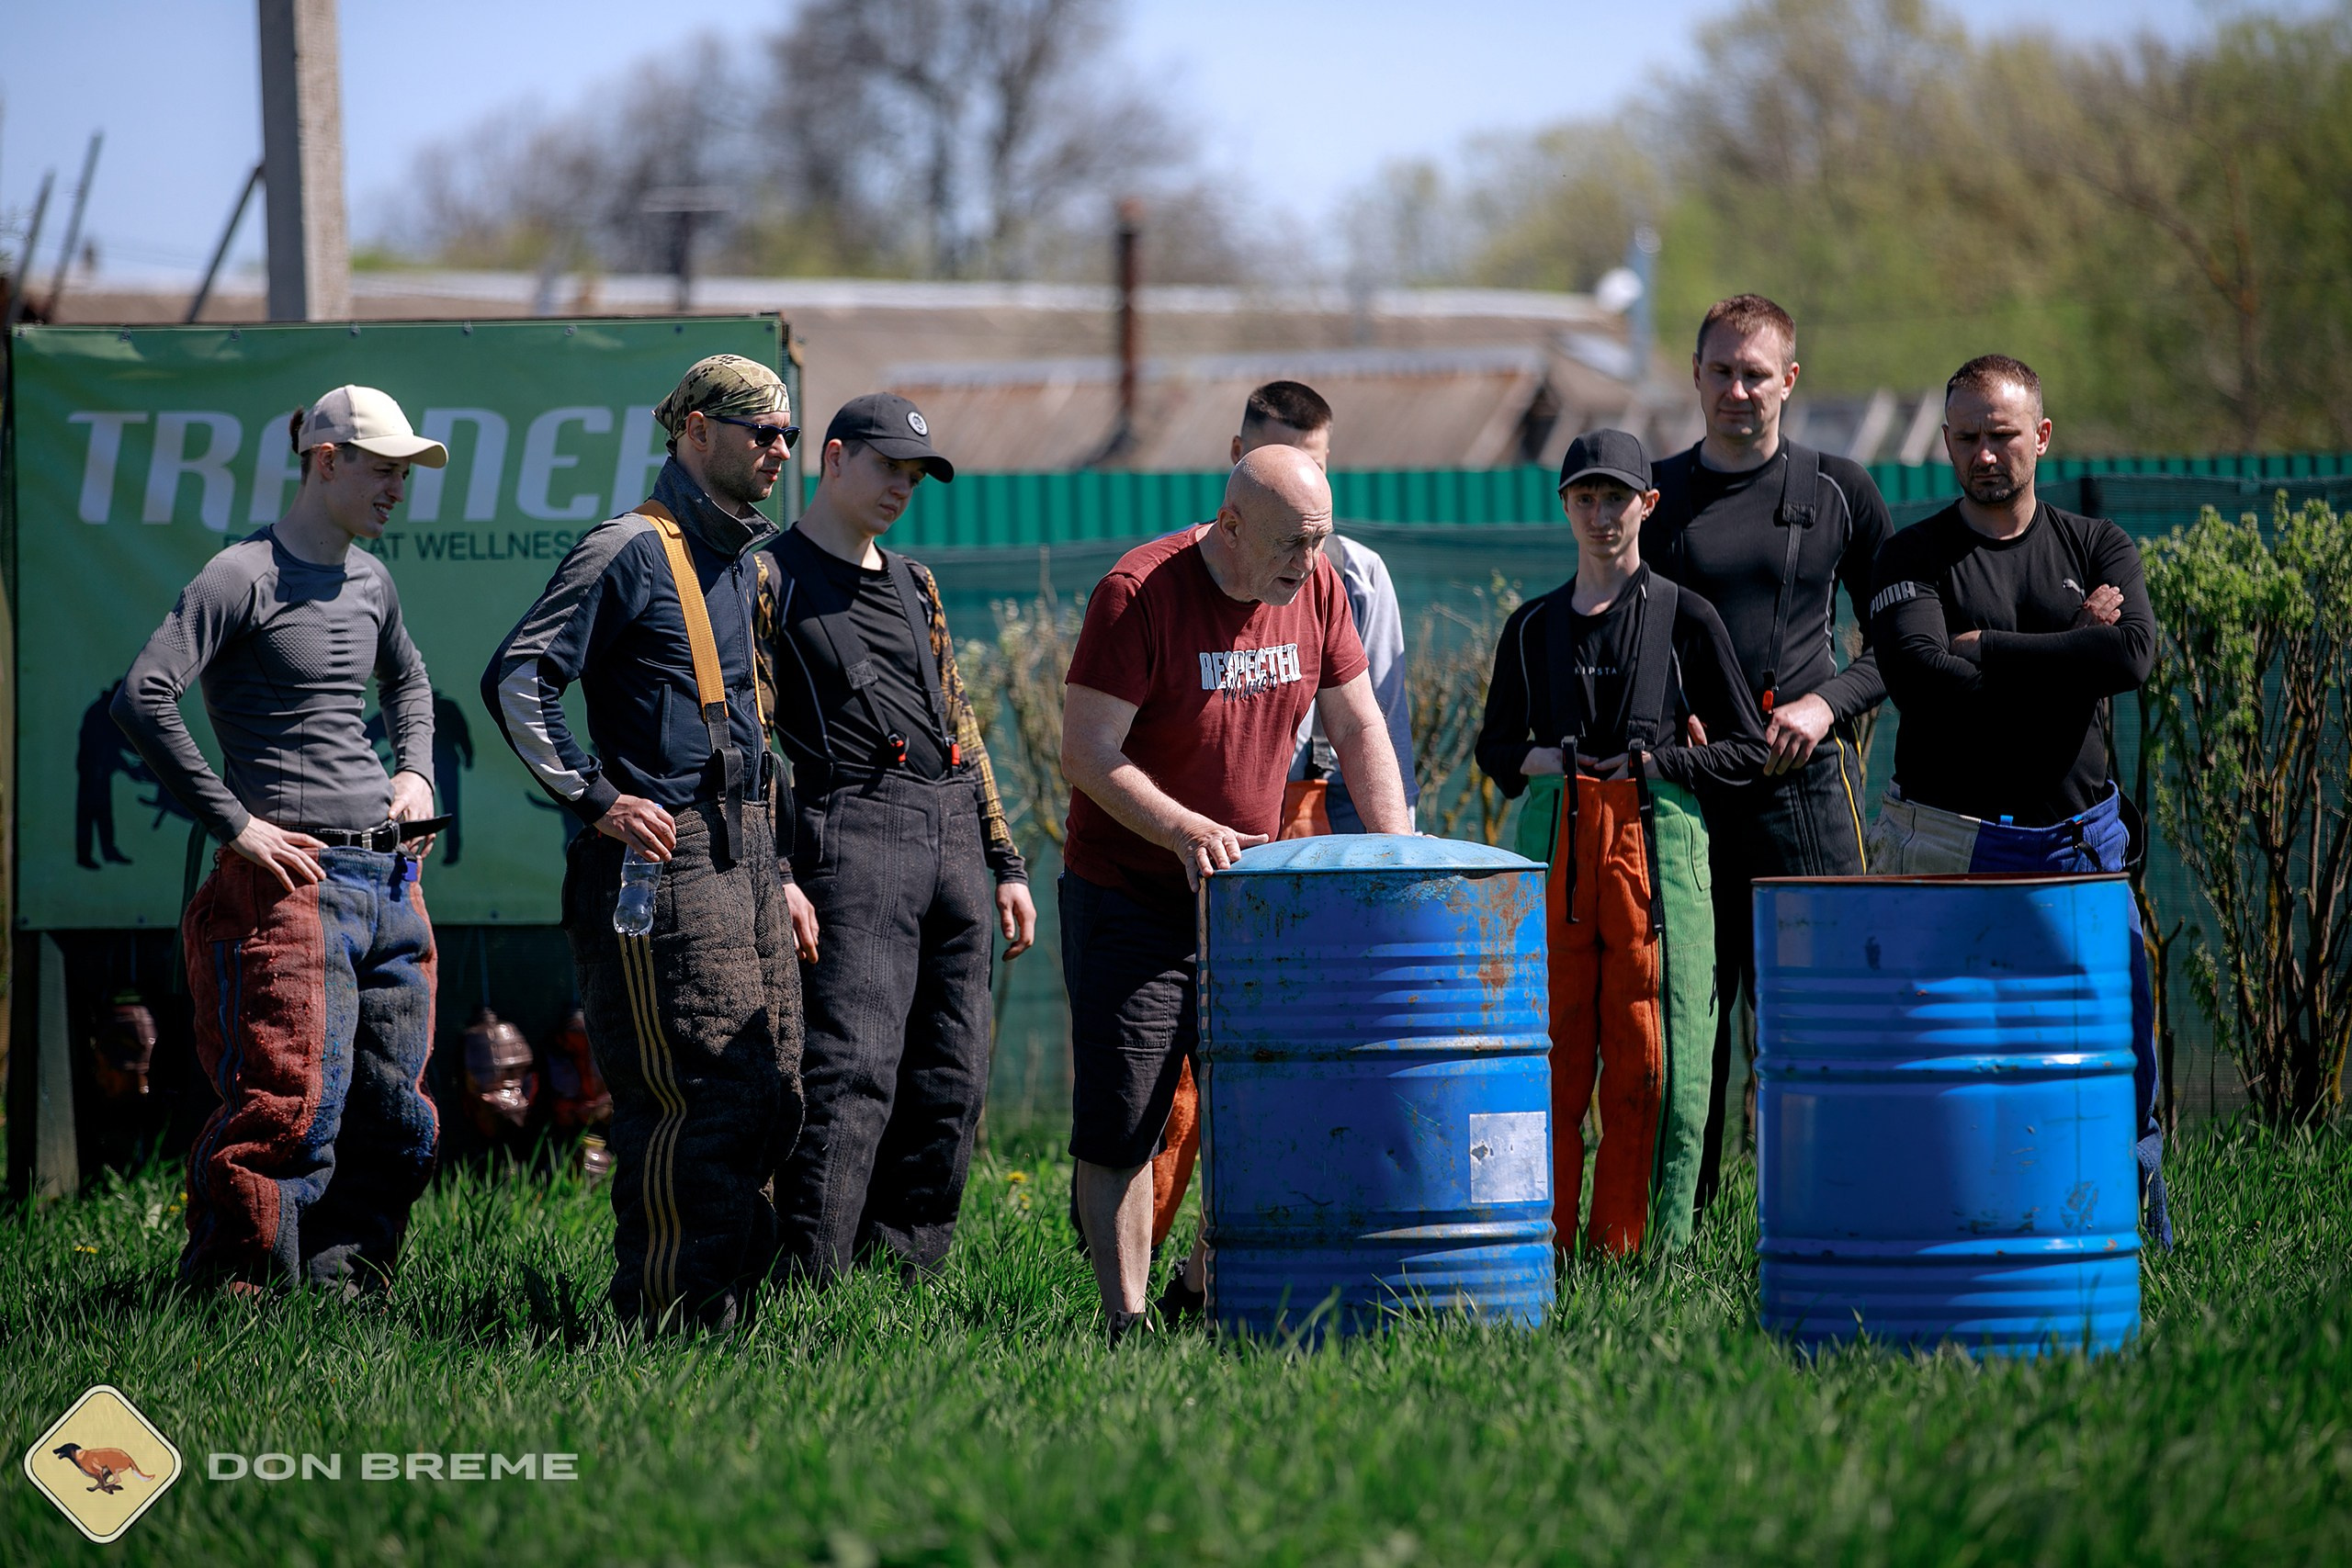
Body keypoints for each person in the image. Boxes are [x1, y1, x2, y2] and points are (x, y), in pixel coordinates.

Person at [481, 354, 804, 1332]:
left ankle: (735, 1320)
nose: (781, 450)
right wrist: (597, 798)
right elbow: (518, 678)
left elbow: (759, 729)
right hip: (663, 864)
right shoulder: (626, 548)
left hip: (750, 854)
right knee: (695, 1091)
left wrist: (783, 869)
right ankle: (668, 1321)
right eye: (763, 431)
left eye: (788, 434)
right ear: (697, 431)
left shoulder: (745, 559)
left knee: (772, 1087)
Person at [1060, 445, 1411, 1341]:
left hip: (1244, 902)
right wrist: (1184, 829)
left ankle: (1196, 1290)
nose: (1310, 560)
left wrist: (1398, 854)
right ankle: (1124, 1324)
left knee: (1267, 1107)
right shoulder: (1137, 595)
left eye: (1319, 540)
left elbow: (1358, 725)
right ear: (1230, 525)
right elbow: (1086, 751)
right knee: (1127, 1121)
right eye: (1292, 542)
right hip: (1130, 894)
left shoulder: (1317, 587)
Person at [113, 384, 447, 1294]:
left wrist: (416, 774)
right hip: (290, 888)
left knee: (395, 1116)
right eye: (384, 470)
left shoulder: (372, 580)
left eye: (406, 474)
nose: (398, 490)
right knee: (288, 1113)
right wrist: (235, 822)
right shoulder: (241, 574)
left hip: (388, 882)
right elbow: (142, 695)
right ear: (326, 460)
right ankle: (235, 1306)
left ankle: (343, 1297)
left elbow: (410, 682)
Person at [1867, 353, 2170, 1244]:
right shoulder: (1910, 555)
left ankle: (2125, 1225)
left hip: (2078, 844)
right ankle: (1935, 1232)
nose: (1984, 453)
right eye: (1966, 437)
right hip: (1946, 841)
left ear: (2041, 436)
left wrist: (1991, 650)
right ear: (1945, 443)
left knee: (2117, 1043)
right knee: (1938, 1058)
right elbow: (1923, 681)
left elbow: (2132, 656)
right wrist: (2072, 648)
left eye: (2001, 434)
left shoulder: (2097, 545)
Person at [1146, 378, 1421, 1320]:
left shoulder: (1356, 576)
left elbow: (1374, 724)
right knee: (1186, 1077)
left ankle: (1240, 1263)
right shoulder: (1181, 574)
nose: (1304, 497)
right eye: (1282, 468)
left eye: (1318, 468)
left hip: (1319, 822)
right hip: (1208, 830)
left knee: (1291, 1066)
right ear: (1239, 467)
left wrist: (1392, 855)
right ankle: (1137, 1266)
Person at [759, 393, 1036, 1282]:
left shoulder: (917, 582)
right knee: (852, 1073)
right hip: (851, 833)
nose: (902, 488)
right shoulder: (767, 577)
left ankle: (904, 1284)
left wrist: (1004, 859)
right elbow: (750, 737)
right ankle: (811, 1284)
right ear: (834, 457)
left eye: (915, 476)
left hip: (952, 835)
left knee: (951, 1077)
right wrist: (776, 869)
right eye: (888, 467)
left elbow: (960, 720)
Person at [1476, 430, 1765, 1258]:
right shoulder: (1531, 628)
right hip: (1557, 848)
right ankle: (1539, 1248)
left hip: (1656, 848)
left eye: (1617, 498)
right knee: (1548, 1053)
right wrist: (1548, 761)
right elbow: (1496, 749)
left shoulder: (1686, 617)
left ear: (1649, 504)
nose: (1601, 515)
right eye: (1586, 498)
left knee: (1658, 1059)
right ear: (1566, 506)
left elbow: (1746, 749)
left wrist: (1665, 762)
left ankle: (1643, 1255)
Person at [1641, 294, 1894, 1215]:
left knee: (1827, 1014)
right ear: (1695, 374)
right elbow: (1625, 636)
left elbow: (1901, 645)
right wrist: (1669, 721)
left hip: (1805, 790)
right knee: (1689, 1020)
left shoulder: (1840, 490)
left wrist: (1826, 706)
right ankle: (1681, 1234)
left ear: (1788, 380)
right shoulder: (1653, 498)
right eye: (1721, 371)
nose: (1737, 390)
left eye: (1756, 374)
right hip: (1690, 799)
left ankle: (1839, 1212)